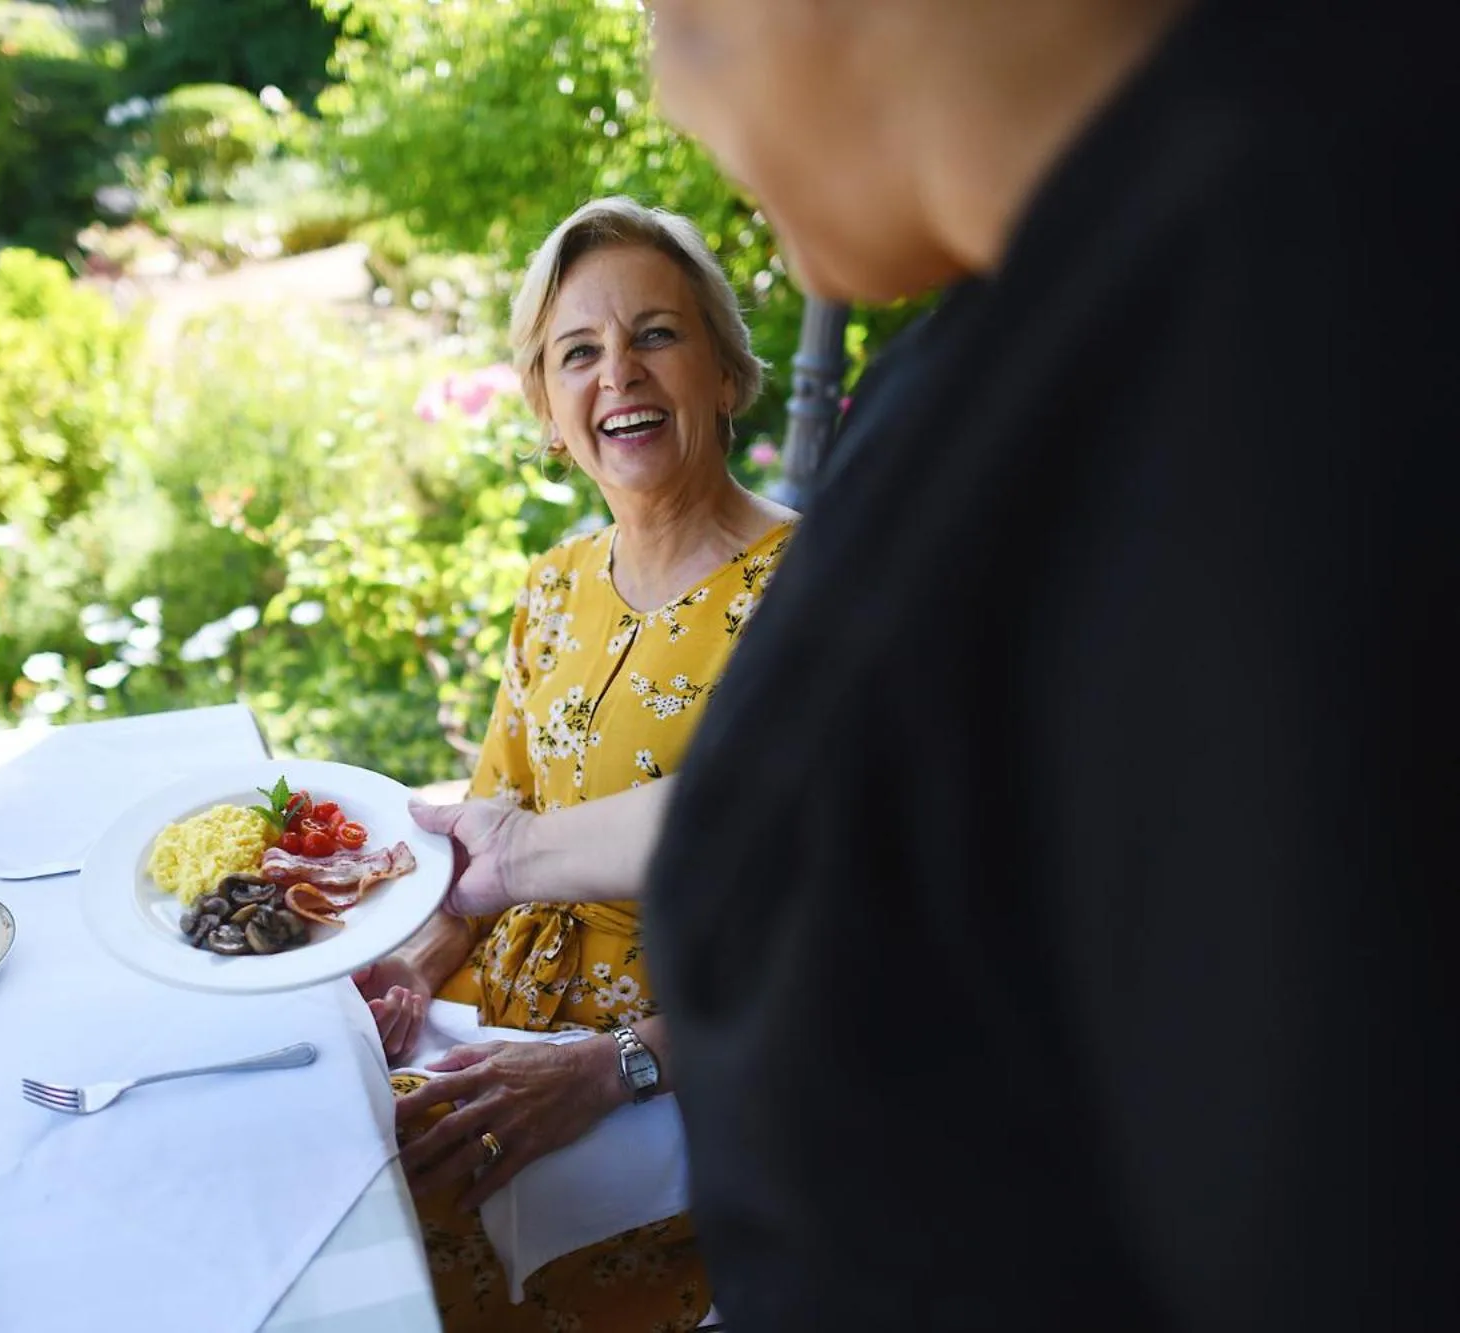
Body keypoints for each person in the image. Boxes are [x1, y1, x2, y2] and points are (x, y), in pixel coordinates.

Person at [412, 0, 1460, 1327]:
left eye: (682, 12)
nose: (673, 83)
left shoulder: (1289, 362)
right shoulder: (1046, 338)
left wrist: (608, 1053)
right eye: (574, 352)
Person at [359, 195, 794, 1331]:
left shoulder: (810, 597)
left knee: (413, 1212)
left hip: (688, 1066)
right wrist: (412, 962)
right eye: (578, 354)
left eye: (656, 334)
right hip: (499, 1008)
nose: (620, 376)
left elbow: (847, 938)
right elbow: (488, 836)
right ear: (549, 412)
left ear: (722, 371)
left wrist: (610, 1068)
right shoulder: (553, 586)